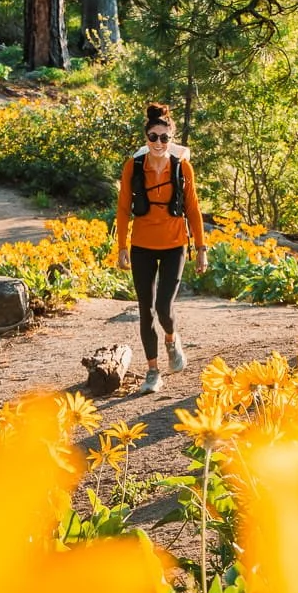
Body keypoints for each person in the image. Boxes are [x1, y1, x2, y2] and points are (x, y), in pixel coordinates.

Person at [115, 102, 208, 393]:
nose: (158, 142)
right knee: (146, 310)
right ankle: (153, 372)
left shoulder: (182, 167)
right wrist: (121, 246)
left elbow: (193, 209)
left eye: (164, 138)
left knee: (164, 307)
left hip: (174, 244)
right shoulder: (134, 166)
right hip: (142, 244)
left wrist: (202, 248)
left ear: (171, 139)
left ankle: (171, 338)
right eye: (154, 137)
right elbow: (122, 208)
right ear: (146, 137)